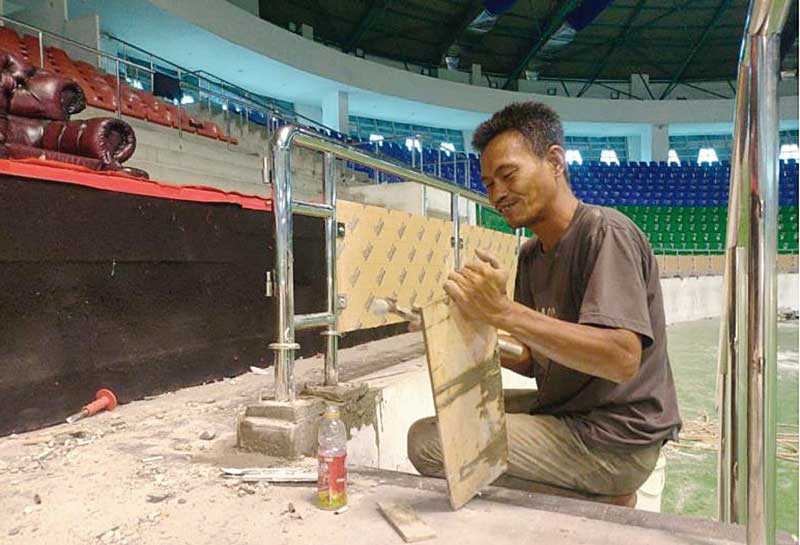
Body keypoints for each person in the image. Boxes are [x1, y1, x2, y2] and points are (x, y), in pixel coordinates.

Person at [407, 101, 681, 505]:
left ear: (554, 160)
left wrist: (504, 312)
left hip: (615, 437)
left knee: (430, 443)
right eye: (488, 184)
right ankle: (593, 492)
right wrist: (467, 328)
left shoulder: (606, 233)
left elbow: (621, 358)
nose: (497, 193)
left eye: (507, 175)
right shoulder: (532, 255)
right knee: (448, 414)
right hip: (570, 412)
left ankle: (606, 498)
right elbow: (534, 361)